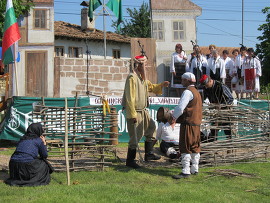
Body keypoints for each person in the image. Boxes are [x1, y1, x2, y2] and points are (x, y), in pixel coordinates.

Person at [122, 55, 170, 168]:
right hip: (136, 112)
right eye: (144, 65)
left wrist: (161, 85)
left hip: (143, 112)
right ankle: (130, 161)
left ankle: (148, 154)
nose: (146, 67)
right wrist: (133, 114)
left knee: (151, 127)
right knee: (135, 136)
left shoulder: (142, 79)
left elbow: (152, 87)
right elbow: (129, 98)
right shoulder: (132, 78)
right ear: (138, 66)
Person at [170, 72, 202, 179]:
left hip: (188, 124)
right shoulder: (197, 92)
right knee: (195, 147)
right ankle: (195, 169)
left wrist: (173, 117)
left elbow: (180, 108)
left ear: (188, 81)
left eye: (183, 80)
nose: (181, 81)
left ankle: (185, 171)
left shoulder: (188, 92)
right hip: (196, 124)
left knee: (185, 147)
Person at [200, 75, 234, 141]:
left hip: (224, 111)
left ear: (210, 81)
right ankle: (214, 146)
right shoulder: (206, 88)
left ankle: (229, 146)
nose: (205, 86)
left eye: (206, 84)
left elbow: (230, 98)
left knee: (227, 129)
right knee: (213, 130)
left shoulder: (221, 86)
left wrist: (221, 105)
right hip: (214, 111)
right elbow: (203, 98)